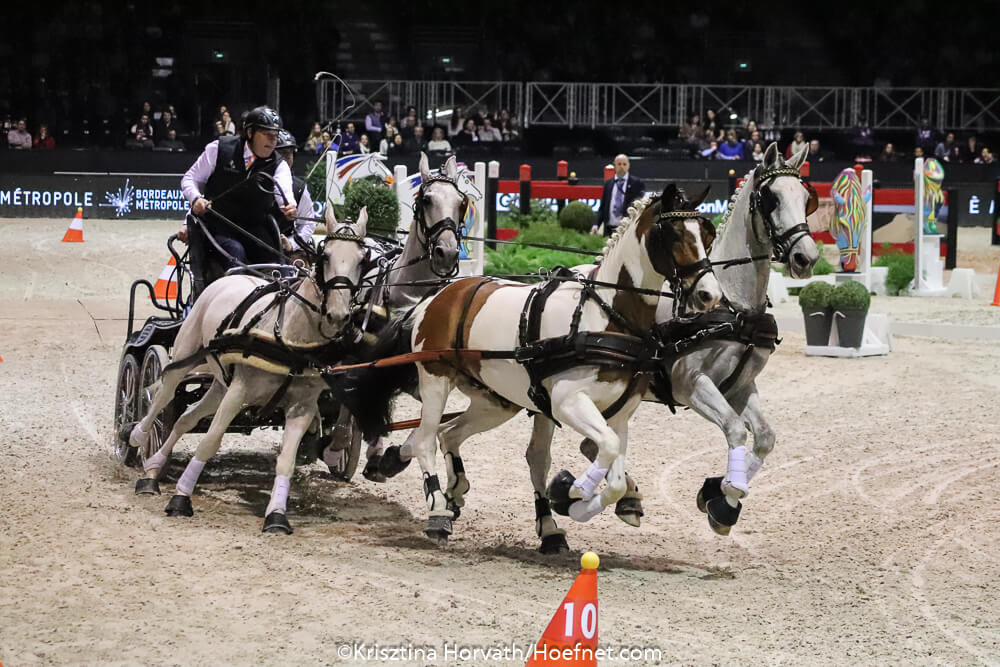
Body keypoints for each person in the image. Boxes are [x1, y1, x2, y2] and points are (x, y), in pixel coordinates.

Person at [179, 106, 295, 267]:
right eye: (266, 134)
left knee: (277, 263)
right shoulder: (219, 149)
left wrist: (289, 207)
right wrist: (196, 198)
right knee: (235, 251)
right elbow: (190, 179)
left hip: (255, 229)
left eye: (275, 135)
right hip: (218, 228)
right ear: (250, 133)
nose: (272, 140)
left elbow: (285, 193)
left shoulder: (279, 164)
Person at [273, 130, 316, 255]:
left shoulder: (299, 187)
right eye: (281, 153)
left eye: (289, 153)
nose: (286, 157)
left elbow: (308, 223)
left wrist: (291, 243)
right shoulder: (254, 178)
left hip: (281, 251)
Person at [593, 154, 644, 237]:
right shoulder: (608, 184)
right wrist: (596, 224)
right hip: (609, 228)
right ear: (615, 166)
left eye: (624, 164)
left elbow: (639, 207)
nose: (622, 166)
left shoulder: (637, 183)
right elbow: (603, 207)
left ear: (628, 166)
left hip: (626, 229)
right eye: (619, 164)